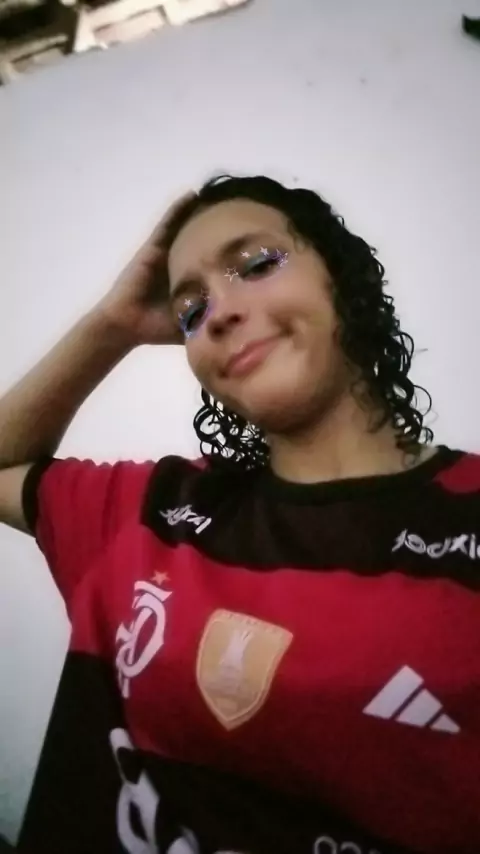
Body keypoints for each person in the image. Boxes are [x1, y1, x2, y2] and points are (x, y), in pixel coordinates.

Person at [0, 174, 477, 854]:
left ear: (343, 276)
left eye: (255, 265)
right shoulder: (149, 510)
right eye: (190, 310)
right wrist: (113, 326)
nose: (218, 312)